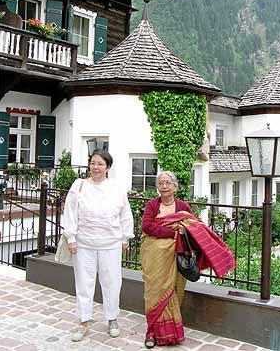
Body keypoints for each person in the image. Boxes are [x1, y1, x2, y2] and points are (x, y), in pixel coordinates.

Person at [141, 171, 235, 348]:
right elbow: (147, 226)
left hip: (177, 257)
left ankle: (171, 334)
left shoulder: (183, 206)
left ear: (175, 186)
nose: (164, 186)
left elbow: (196, 227)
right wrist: (173, 232)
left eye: (168, 183)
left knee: (174, 292)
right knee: (154, 293)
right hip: (155, 257)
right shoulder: (153, 205)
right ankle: (151, 332)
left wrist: (184, 230)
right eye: (161, 183)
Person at [62, 149, 134, 342]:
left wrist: (125, 238)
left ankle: (112, 318)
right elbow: (70, 212)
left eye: (100, 164)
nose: (96, 167)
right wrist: (71, 238)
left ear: (108, 167)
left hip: (110, 244)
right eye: (93, 163)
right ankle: (84, 321)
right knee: (84, 283)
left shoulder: (116, 188)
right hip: (84, 244)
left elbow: (125, 214)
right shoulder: (79, 186)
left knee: (111, 282)